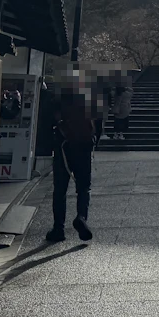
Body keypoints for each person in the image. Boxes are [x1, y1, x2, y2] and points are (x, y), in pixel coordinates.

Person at [47, 70, 98, 242]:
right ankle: (81, 217)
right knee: (83, 187)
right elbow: (97, 123)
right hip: (83, 147)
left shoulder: (59, 99)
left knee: (60, 190)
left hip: (63, 147)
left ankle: (58, 229)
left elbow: (49, 121)